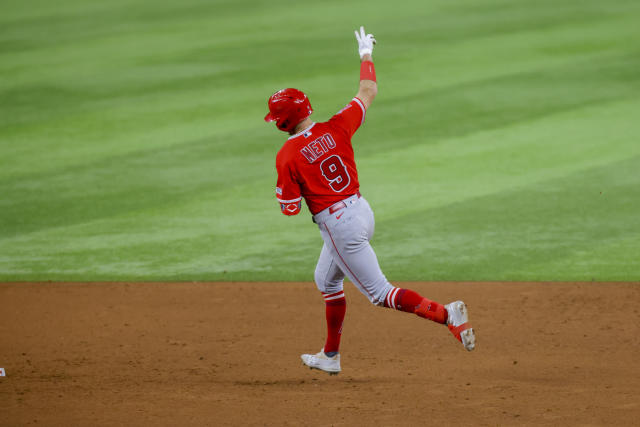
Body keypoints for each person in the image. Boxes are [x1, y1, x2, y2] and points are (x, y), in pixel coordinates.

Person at [264, 27, 475, 375]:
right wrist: (366, 53)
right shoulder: (337, 126)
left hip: (339, 226)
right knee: (326, 280)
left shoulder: (287, 155)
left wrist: (294, 187)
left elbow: (289, 209)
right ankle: (331, 356)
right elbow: (368, 89)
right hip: (362, 210)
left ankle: (447, 314)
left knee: (380, 294)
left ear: (282, 121)